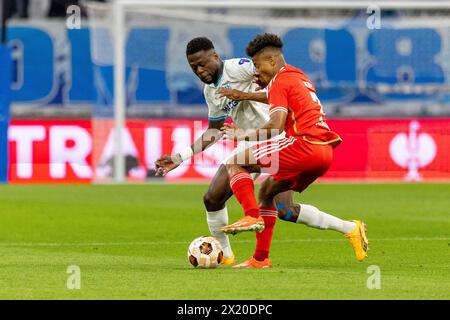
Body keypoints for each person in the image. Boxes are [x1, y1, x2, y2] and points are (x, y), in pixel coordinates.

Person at [220, 33, 369, 268]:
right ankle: (350, 228)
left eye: (257, 66)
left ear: (271, 61)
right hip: (324, 152)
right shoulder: (297, 76)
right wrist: (244, 95)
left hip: (303, 144)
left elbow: (275, 125)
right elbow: (273, 95)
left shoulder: (280, 81)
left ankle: (251, 215)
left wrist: (243, 135)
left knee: (236, 162)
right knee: (276, 200)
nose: (256, 72)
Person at [154, 36, 293, 265]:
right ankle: (226, 256)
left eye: (202, 63)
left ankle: (252, 219)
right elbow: (214, 131)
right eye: (193, 67)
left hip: (274, 136)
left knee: (287, 210)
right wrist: (180, 157)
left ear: (215, 56)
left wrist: (250, 93)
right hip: (249, 141)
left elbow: (280, 77)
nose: (199, 70)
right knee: (212, 198)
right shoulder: (210, 91)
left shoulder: (239, 68)